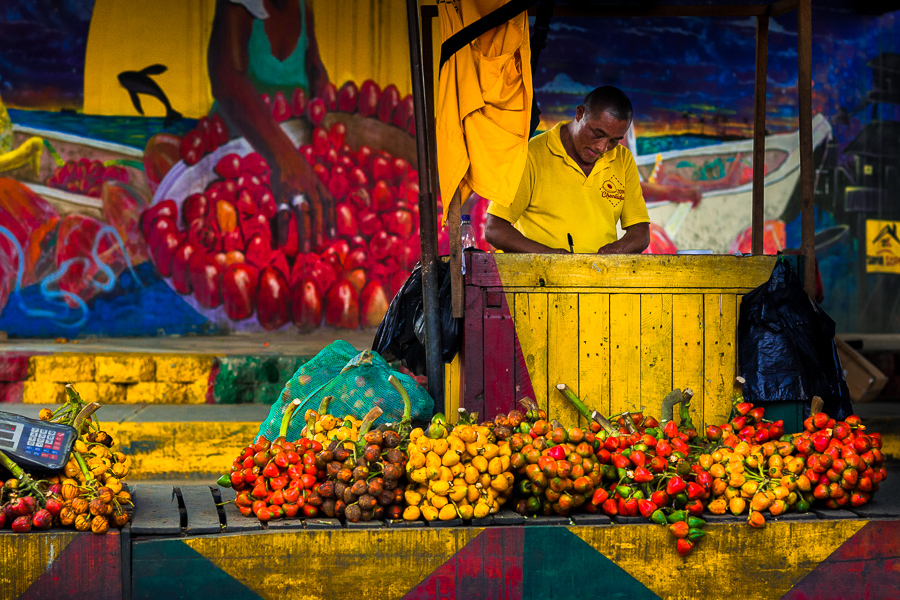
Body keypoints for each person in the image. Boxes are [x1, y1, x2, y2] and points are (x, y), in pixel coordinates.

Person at [208, 0, 333, 245]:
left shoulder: (302, 7)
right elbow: (227, 79)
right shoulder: (238, 5)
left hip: (294, 160)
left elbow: (315, 69)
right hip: (235, 155)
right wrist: (285, 158)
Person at [484, 86, 650, 255]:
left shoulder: (623, 160)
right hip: (539, 278)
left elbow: (641, 233)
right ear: (579, 113)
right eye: (597, 133)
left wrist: (614, 252)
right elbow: (495, 229)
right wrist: (550, 257)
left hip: (602, 278)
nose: (602, 147)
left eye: (614, 140)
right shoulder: (531, 156)